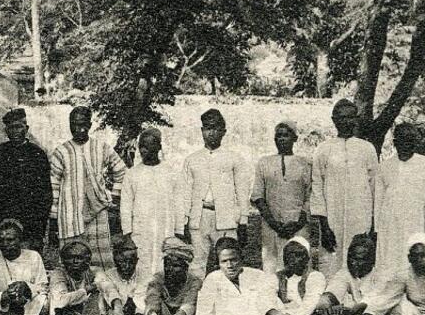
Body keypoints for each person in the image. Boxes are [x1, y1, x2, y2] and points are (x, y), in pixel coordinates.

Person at [49, 106, 128, 272]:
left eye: (83, 124)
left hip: (97, 212)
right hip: (70, 213)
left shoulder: (101, 147)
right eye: (74, 125)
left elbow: (120, 170)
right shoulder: (61, 152)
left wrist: (115, 197)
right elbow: (54, 185)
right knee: (72, 259)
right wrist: (54, 218)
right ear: (69, 125)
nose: (79, 129)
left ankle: (103, 290)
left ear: (90, 125)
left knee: (100, 259)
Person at [311, 99, 378, 276]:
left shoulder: (367, 149)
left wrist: (372, 224)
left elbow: (374, 187)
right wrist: (323, 226)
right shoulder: (323, 150)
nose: (346, 122)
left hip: (360, 215)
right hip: (332, 217)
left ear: (356, 119)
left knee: (360, 258)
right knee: (332, 259)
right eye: (341, 118)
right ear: (334, 120)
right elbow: (317, 188)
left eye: (350, 117)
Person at [183, 109, 253, 277]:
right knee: (197, 263)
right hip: (199, 218)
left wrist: (243, 221)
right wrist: (184, 221)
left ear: (223, 131)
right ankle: (196, 300)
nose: (211, 133)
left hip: (226, 219)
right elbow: (185, 193)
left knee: (227, 261)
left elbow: (242, 193)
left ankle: (229, 298)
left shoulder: (234, 158)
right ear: (202, 131)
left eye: (215, 128)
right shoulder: (192, 159)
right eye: (207, 128)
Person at [0, 108, 53, 252]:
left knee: (29, 257)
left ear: (26, 128)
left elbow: (46, 191)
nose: (15, 131)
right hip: (4, 211)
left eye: (18, 127)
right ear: (6, 131)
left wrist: (40, 220)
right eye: (11, 128)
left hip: (30, 214)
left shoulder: (37, 154)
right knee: (3, 253)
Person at [121, 128, 188, 277]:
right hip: (140, 230)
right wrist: (127, 234)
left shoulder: (171, 173)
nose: (143, 150)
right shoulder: (132, 174)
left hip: (166, 229)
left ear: (158, 147)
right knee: (141, 265)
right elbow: (125, 206)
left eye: (148, 146)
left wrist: (179, 231)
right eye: (141, 146)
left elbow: (179, 204)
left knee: (164, 263)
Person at [374, 123, 425, 278]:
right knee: (390, 264)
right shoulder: (384, 167)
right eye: (401, 140)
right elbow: (378, 201)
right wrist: (376, 230)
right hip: (390, 227)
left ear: (416, 142)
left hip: (417, 223)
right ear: (395, 143)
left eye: (410, 140)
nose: (405, 144)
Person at [195, 236, 274, 315]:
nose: (230, 265)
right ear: (218, 263)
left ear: (241, 259)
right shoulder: (213, 279)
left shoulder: (258, 276)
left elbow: (270, 307)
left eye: (233, 260)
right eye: (224, 261)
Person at [314, 232, 387, 315]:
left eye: (360, 259)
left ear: (371, 260)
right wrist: (320, 304)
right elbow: (332, 294)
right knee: (326, 309)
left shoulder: (380, 275)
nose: (354, 263)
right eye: (351, 258)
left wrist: (347, 310)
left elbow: (370, 305)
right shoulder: (345, 272)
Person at [251, 121, 312, 272]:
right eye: (278, 136)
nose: (282, 139)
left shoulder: (305, 164)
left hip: (298, 225)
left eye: (286, 135)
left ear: (295, 138)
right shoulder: (264, 163)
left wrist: (298, 223)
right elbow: (258, 195)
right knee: (271, 267)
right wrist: (274, 223)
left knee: (299, 265)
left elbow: (310, 195)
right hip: (271, 225)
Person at [260, 237, 326, 315]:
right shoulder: (277, 277)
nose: (292, 259)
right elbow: (265, 298)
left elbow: (309, 305)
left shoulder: (315, 276)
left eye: (297, 255)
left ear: (306, 258)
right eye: (288, 255)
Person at [142, 237, 203, 315]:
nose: (170, 269)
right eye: (167, 265)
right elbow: (152, 296)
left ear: (185, 267)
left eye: (175, 266)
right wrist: (153, 314)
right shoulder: (158, 277)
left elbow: (190, 303)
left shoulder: (195, 282)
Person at [94, 235, 154, 315]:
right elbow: (109, 290)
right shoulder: (106, 275)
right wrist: (117, 307)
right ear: (114, 260)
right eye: (121, 261)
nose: (126, 266)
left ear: (137, 260)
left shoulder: (145, 276)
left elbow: (141, 301)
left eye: (131, 262)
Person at [48, 240, 109, 315]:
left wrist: (117, 306)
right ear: (63, 260)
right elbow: (60, 300)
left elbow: (107, 287)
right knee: (55, 304)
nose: (75, 261)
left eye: (79, 258)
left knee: (99, 296)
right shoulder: (58, 273)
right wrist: (85, 291)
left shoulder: (95, 271)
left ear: (87, 260)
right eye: (70, 258)